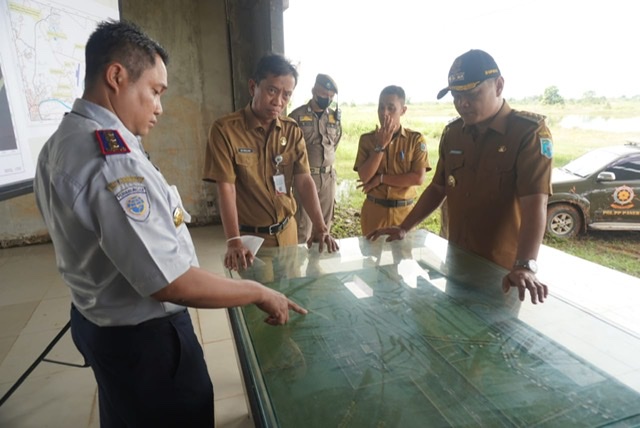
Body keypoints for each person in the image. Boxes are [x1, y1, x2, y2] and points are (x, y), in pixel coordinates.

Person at [33, 20, 306, 428]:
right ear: (116, 77)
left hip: (97, 320)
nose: (160, 106)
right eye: (155, 92)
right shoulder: (112, 161)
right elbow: (170, 280)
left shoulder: (61, 141)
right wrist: (255, 291)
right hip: (146, 344)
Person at [367, 49, 553, 305]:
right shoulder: (454, 133)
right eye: (456, 95)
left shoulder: (527, 134)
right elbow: (437, 188)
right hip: (456, 259)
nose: (462, 103)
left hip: (503, 272)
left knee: (494, 338)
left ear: (499, 86)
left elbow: (536, 203)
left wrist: (525, 264)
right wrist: (403, 227)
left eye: (472, 94)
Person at [203, 54, 338, 272]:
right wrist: (234, 241)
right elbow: (226, 189)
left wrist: (320, 227)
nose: (278, 102)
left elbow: (304, 181)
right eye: (272, 91)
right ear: (253, 86)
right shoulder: (225, 131)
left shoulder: (291, 130)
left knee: (292, 294)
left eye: (287, 95)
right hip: (252, 243)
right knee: (259, 302)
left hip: (288, 233)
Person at [354, 85, 430, 235]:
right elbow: (365, 176)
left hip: (404, 214)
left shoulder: (415, 140)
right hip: (374, 211)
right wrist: (380, 146)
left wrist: (381, 179)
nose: (384, 113)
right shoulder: (367, 140)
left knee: (403, 258)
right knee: (372, 256)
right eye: (381, 107)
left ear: (403, 110)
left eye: (391, 108)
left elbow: (418, 178)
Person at [289, 73, 342, 244]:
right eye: (323, 95)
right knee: (303, 227)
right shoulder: (296, 116)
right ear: (313, 91)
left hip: (327, 178)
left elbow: (335, 144)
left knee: (324, 227)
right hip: (306, 177)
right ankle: (299, 268)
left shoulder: (334, 118)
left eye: (330, 97)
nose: (326, 99)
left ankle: (316, 266)